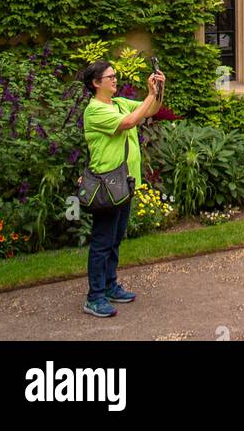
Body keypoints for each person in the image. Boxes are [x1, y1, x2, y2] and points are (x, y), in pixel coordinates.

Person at [81, 58, 166, 317]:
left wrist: (157, 91)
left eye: (115, 75)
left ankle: (109, 286)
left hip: (124, 181)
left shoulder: (117, 103)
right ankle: (94, 297)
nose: (115, 79)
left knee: (115, 238)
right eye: (110, 77)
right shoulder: (95, 110)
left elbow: (150, 111)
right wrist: (148, 97)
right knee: (102, 241)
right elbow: (130, 122)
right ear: (97, 83)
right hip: (107, 183)